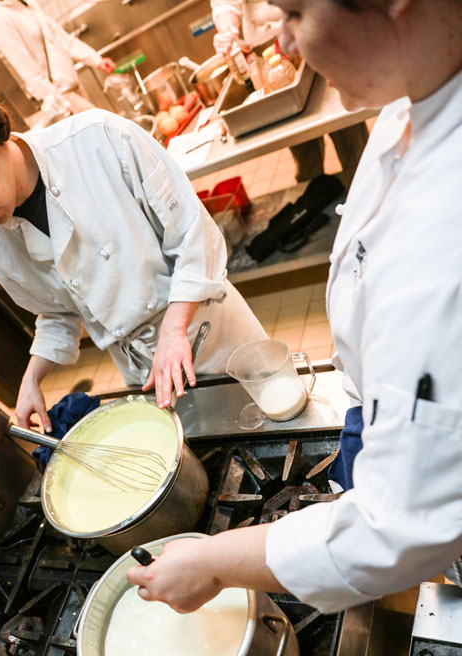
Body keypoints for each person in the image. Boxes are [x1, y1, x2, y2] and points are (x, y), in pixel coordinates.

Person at [127, 0, 462, 614]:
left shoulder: (448, 228)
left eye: (295, 13)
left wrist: (212, 562)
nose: (279, 46)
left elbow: (398, 528)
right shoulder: (408, 108)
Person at [0, 82, 267, 430]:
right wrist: (32, 377)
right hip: (145, 372)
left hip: (212, 334)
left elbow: (193, 233)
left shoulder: (98, 140)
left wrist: (173, 328)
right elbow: (58, 310)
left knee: (278, 422)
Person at [210, 0, 369, 182]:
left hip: (319, 35)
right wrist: (227, 32)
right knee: (305, 153)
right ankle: (315, 197)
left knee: (351, 138)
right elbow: (225, 4)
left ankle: (369, 191)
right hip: (270, 56)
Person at [0, 0, 115, 114]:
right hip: (62, 97)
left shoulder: (25, 3)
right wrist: (64, 105)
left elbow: (60, 38)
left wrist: (96, 59)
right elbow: (29, 71)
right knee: (103, 125)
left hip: (73, 85)